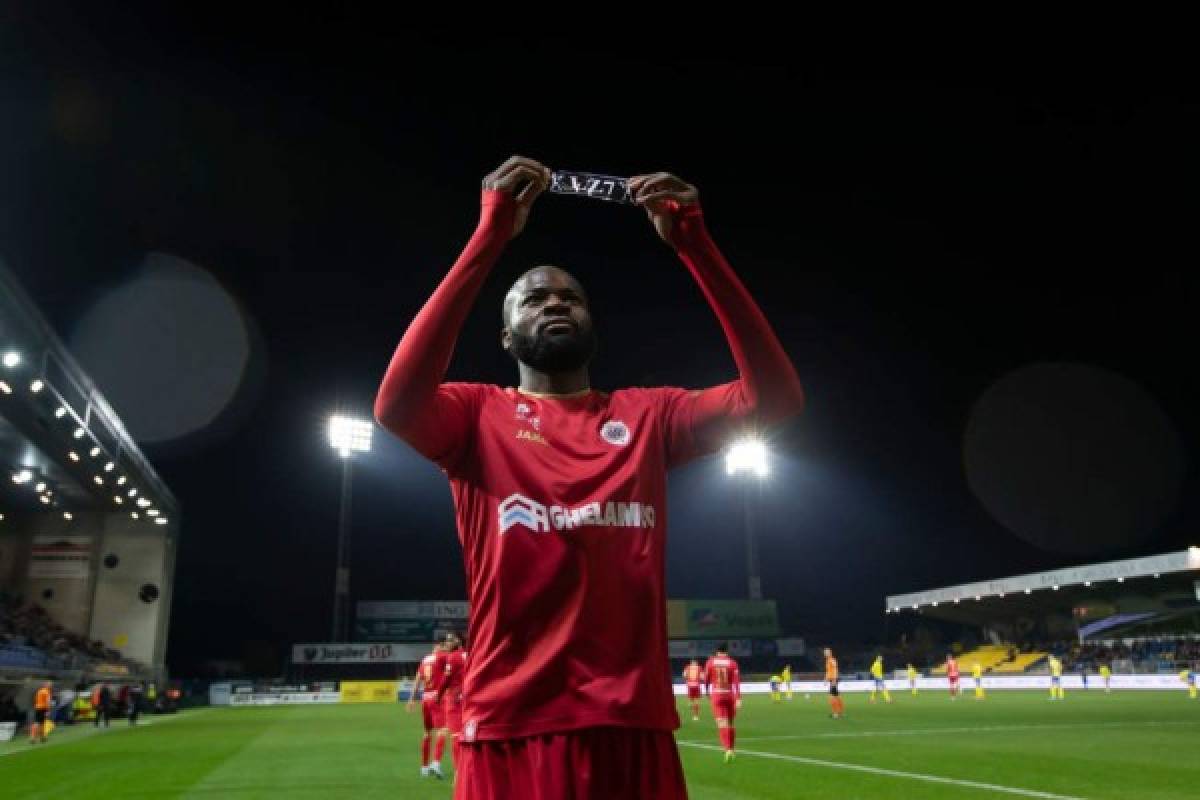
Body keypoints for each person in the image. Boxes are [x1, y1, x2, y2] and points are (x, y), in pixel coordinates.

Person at [373, 156, 804, 798]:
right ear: (506, 334)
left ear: (592, 323)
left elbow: (772, 401)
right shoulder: (474, 414)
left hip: (633, 727)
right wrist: (490, 235)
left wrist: (696, 246)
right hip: (509, 729)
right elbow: (396, 405)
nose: (555, 303)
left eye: (570, 296)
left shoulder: (648, 415)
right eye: (535, 298)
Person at [431, 633, 467, 781]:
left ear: (458, 641)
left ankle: (459, 773)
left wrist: (439, 696)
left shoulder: (452, 657)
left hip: (455, 698)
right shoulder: (469, 654)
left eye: (450, 640)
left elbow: (446, 679)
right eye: (446, 640)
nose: (447, 643)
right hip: (468, 696)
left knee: (456, 736)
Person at [407, 642, 443, 777]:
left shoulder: (425, 660)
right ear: (439, 647)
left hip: (425, 698)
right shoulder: (441, 659)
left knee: (427, 733)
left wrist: (412, 699)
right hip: (436, 698)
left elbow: (417, 680)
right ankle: (436, 763)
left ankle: (424, 768)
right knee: (442, 730)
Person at [703, 643, 741, 763]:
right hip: (729, 694)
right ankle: (732, 749)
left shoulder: (710, 662)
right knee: (730, 723)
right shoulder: (732, 663)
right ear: (727, 650)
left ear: (716, 651)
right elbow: (736, 682)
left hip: (717, 694)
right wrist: (738, 698)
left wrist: (707, 690)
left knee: (721, 723)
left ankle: (727, 749)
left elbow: (706, 679)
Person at [824, 648, 844, 719]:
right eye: (825, 652)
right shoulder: (828, 660)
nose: (825, 653)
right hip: (832, 679)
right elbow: (828, 671)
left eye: (826, 652)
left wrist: (834, 680)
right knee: (837, 696)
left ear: (830, 653)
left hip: (833, 680)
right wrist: (826, 679)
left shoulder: (832, 660)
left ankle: (836, 714)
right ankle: (839, 712)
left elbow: (835, 670)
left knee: (832, 697)